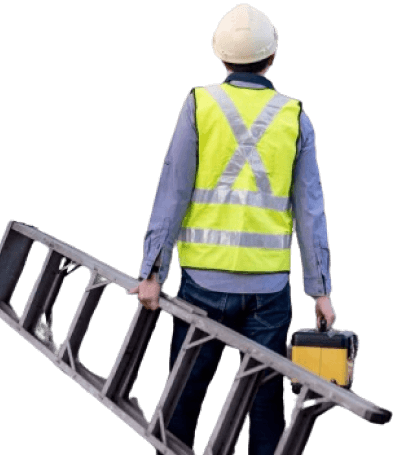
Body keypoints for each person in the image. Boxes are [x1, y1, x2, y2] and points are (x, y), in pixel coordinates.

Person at [128, 4, 336, 454]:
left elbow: (172, 191)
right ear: (272, 57)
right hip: (269, 289)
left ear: (221, 57)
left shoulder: (198, 104)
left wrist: (152, 272)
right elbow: (310, 210)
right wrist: (319, 290)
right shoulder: (294, 116)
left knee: (182, 400)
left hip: (202, 283)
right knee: (265, 407)